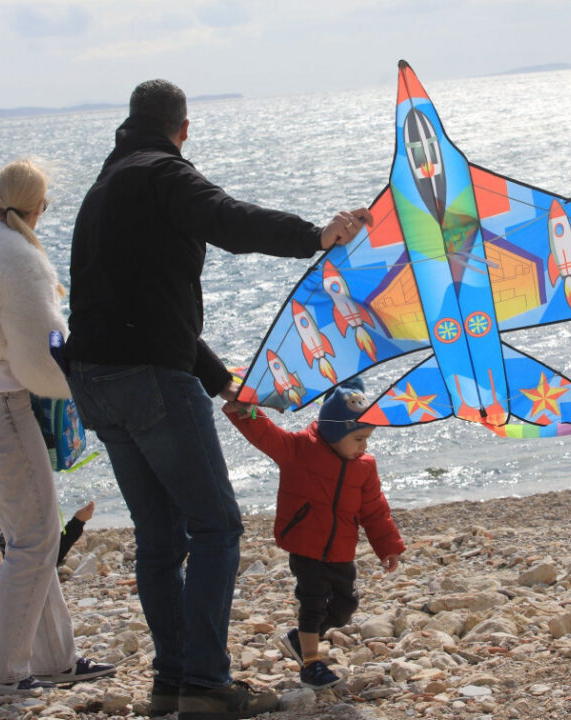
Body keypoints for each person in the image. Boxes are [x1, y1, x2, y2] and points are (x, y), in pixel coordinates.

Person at [63, 78, 371, 718]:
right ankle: (204, 681)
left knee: (158, 536)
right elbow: (229, 220)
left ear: (130, 122)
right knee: (216, 525)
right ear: (183, 128)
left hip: (94, 381)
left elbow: (134, 304)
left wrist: (218, 378)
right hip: (147, 378)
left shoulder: (102, 191)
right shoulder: (163, 175)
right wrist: (317, 236)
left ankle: (173, 683)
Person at [0, 158, 114, 696]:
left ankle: (56, 658)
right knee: (35, 538)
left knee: (27, 531)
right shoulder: (20, 257)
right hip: (0, 408)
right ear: (40, 209)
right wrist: (79, 391)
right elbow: (38, 360)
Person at [223, 378, 405, 690]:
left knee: (344, 607)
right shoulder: (298, 451)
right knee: (312, 605)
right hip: (306, 547)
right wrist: (245, 411)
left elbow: (374, 510)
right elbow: (265, 433)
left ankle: (298, 639)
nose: (364, 446)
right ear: (335, 434)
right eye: (359, 439)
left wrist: (388, 546)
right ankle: (310, 663)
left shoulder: (364, 466)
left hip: (341, 550)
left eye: (367, 439)